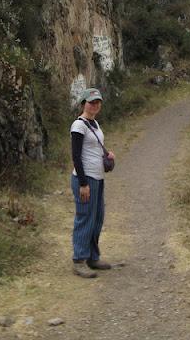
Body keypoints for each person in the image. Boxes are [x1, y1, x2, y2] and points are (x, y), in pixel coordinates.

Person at [70, 87, 115, 278]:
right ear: (83, 103)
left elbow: (94, 148)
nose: (95, 105)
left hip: (97, 178)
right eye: (91, 102)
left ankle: (92, 257)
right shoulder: (78, 125)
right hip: (85, 178)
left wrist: (107, 154)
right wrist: (82, 184)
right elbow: (76, 156)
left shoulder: (94, 123)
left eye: (98, 102)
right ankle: (79, 260)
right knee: (85, 217)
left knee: (97, 218)